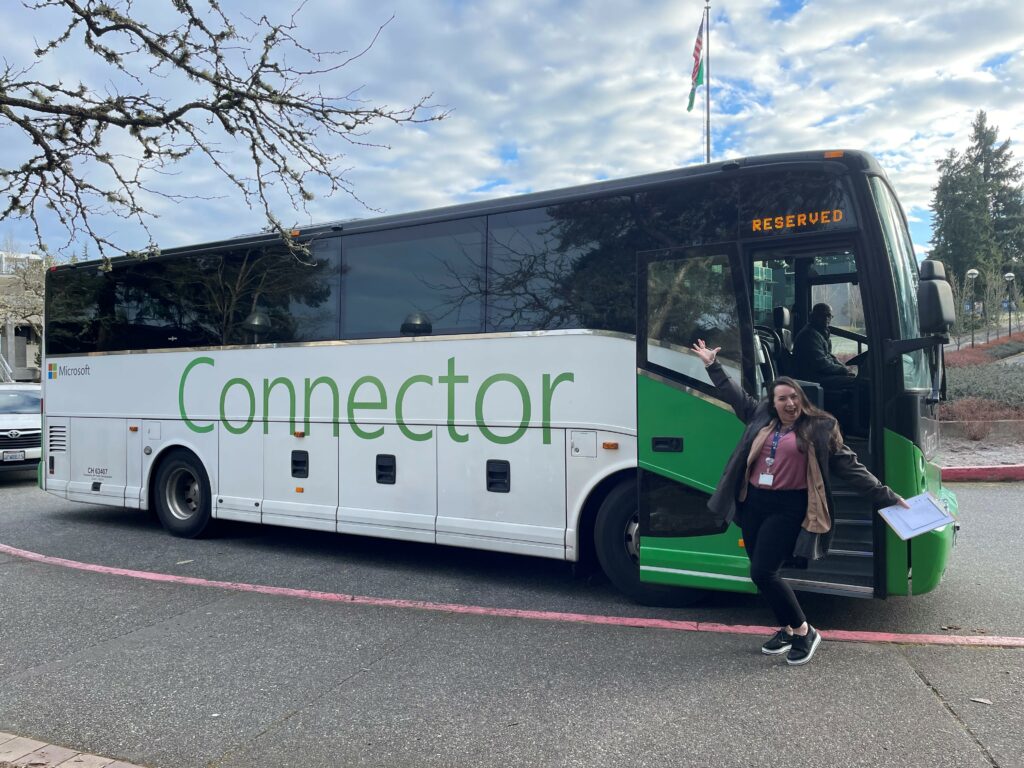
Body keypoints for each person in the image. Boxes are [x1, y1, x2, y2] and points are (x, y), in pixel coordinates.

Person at [691, 338, 908, 666]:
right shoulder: (761, 415)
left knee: (762, 572)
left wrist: (887, 497)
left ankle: (805, 630)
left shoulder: (820, 428)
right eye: (782, 398)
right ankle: (789, 629)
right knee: (766, 571)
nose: (789, 403)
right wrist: (712, 365)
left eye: (794, 397)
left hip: (788, 507)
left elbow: (851, 467)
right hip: (753, 504)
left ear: (802, 399)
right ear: (773, 402)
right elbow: (734, 395)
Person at [792, 303, 855, 387]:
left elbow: (829, 356)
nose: (826, 318)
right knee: (856, 382)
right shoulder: (809, 335)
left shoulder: (820, 333)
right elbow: (821, 364)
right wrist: (842, 370)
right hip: (812, 378)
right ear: (812, 316)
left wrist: (843, 367)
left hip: (819, 375)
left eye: (829, 316)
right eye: (822, 315)